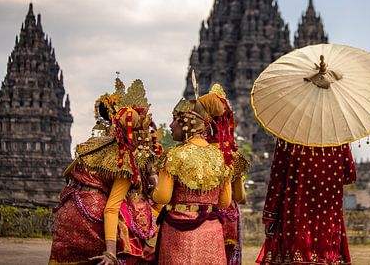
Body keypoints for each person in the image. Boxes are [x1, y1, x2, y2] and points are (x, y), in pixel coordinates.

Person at [49, 79, 160, 265]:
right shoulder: (124, 157)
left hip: (69, 211)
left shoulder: (91, 145)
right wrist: (110, 252)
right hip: (93, 218)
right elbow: (111, 208)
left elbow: (67, 173)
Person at [152, 97, 232, 265]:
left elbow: (163, 197)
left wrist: (153, 186)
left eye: (175, 119)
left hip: (178, 231)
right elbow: (224, 202)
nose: (170, 125)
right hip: (210, 230)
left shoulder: (175, 155)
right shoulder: (221, 156)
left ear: (187, 123)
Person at [257, 139, 356, 265]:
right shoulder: (337, 137)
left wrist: (270, 215)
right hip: (328, 220)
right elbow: (350, 175)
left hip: (294, 217)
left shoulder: (289, 135)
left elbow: (277, 178)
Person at [198, 84, 250, 265]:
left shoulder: (190, 151)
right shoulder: (231, 155)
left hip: (196, 215)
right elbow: (240, 196)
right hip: (227, 217)